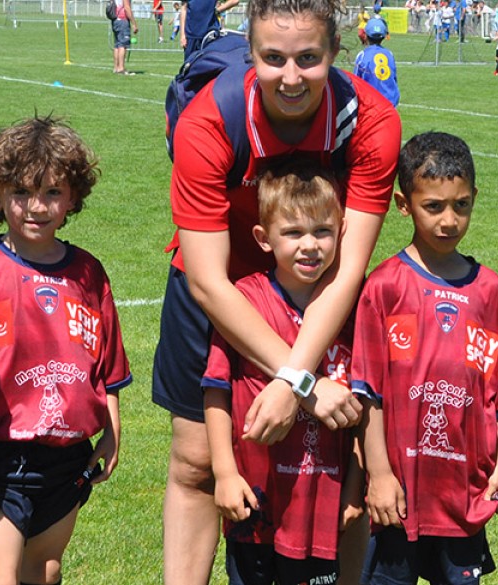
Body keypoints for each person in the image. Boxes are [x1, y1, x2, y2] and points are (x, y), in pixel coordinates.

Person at [155, 0, 403, 582]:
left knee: (346, 459)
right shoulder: (207, 121)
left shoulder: (372, 123)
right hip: (219, 285)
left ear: (336, 53)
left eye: (308, 59)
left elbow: (349, 268)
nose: (290, 77)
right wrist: (299, 379)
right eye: (273, 58)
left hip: (322, 287)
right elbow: (208, 280)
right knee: (197, 462)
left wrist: (295, 378)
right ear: (251, 55)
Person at [352, 131, 498, 585]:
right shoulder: (385, 287)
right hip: (399, 495)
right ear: (403, 204)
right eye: (433, 206)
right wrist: (378, 474)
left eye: (462, 205)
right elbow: (367, 395)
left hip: (462, 495)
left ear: (475, 199)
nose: (449, 220)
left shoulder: (491, 293)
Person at [0, 116, 131, 585]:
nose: (37, 207)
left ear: (73, 198)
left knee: (46, 570)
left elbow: (106, 365)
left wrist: (111, 431)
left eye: (53, 193)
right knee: (1, 575)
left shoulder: (89, 273)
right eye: (21, 194)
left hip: (68, 455)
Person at [203, 159, 364, 585]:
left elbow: (366, 404)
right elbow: (216, 390)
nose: (309, 246)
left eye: (322, 231)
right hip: (254, 499)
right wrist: (223, 472)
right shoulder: (245, 301)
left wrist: (355, 486)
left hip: (321, 506)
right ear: (263, 237)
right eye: (293, 233)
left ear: (343, 230)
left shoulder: (350, 308)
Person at [354, 18, 400, 107]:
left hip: (371, 106)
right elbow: (394, 79)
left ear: (366, 35)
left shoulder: (362, 55)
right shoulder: (389, 54)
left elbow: (356, 83)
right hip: (389, 104)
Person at [112, 0, 139, 75]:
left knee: (117, 44)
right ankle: (121, 68)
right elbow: (127, 8)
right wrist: (134, 23)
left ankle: (116, 67)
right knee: (123, 45)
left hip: (115, 20)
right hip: (122, 20)